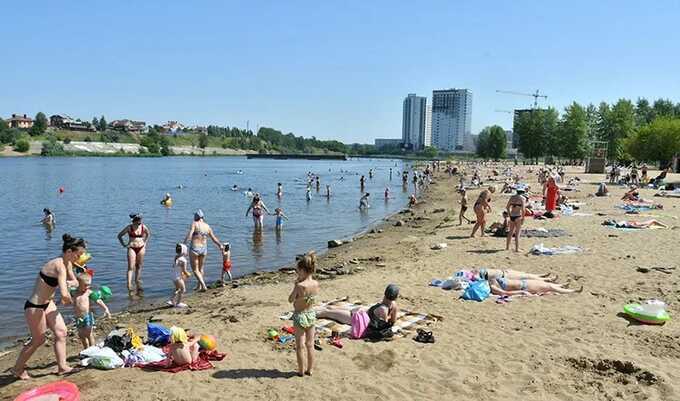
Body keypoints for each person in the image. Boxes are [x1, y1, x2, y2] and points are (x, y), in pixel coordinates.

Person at [13, 234, 86, 380]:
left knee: (61, 332)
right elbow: (65, 294)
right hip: (35, 307)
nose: (79, 258)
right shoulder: (59, 265)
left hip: (48, 303)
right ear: (69, 252)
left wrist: (74, 282)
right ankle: (17, 369)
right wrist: (68, 296)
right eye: (78, 255)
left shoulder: (68, 264)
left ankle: (62, 367)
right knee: (38, 340)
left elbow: (75, 282)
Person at [316, 284, 400, 340]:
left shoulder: (383, 309)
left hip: (356, 318)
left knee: (328, 312)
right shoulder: (394, 305)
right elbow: (393, 321)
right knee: (330, 309)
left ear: (385, 294)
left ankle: (309, 313)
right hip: (359, 313)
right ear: (396, 297)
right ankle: (311, 310)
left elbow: (382, 326)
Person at [288, 252, 320, 377]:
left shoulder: (300, 286)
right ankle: (310, 369)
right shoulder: (316, 284)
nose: (297, 274)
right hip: (311, 315)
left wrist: (295, 286)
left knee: (300, 345)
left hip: (300, 316)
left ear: (302, 270)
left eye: (298, 271)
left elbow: (290, 300)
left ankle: (301, 371)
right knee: (310, 344)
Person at [184, 210, 223, 292]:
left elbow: (190, 233)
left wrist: (184, 243)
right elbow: (213, 238)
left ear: (197, 217)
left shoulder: (194, 223)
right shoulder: (207, 226)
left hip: (195, 248)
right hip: (204, 249)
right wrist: (220, 245)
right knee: (201, 268)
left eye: (194, 216)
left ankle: (203, 285)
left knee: (195, 270)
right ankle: (199, 286)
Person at [73, 272, 111, 349]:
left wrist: (106, 309)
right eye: (85, 285)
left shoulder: (89, 293)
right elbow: (65, 295)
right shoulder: (73, 292)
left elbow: (98, 301)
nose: (88, 287)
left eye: (89, 285)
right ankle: (86, 349)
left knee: (89, 334)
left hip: (87, 316)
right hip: (78, 317)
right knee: (81, 335)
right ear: (78, 283)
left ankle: (93, 349)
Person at [117, 214, 151, 296]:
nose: (140, 221)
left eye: (140, 219)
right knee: (131, 267)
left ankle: (137, 280)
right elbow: (119, 235)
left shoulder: (143, 226)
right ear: (134, 220)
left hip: (141, 247)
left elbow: (148, 234)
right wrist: (124, 245)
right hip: (131, 247)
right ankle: (129, 285)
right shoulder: (129, 227)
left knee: (139, 266)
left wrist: (145, 243)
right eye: (138, 220)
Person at [489, 276, 583, 296]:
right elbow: (506, 293)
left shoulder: (491, 281)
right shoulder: (493, 287)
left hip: (525, 283)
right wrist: (522, 292)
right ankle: (574, 291)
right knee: (550, 287)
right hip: (525, 287)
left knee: (549, 286)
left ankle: (561, 285)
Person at [472, 268, 557, 282]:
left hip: (504, 271)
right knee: (526, 277)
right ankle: (547, 280)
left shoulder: (474, 273)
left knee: (524, 274)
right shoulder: (476, 278)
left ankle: (540, 276)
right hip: (504, 276)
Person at [602, 219, 668, 229]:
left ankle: (664, 226)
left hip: (637, 223)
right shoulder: (619, 224)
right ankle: (665, 226)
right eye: (609, 220)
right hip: (638, 224)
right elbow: (631, 226)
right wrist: (644, 227)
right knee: (653, 220)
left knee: (653, 221)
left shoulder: (618, 224)